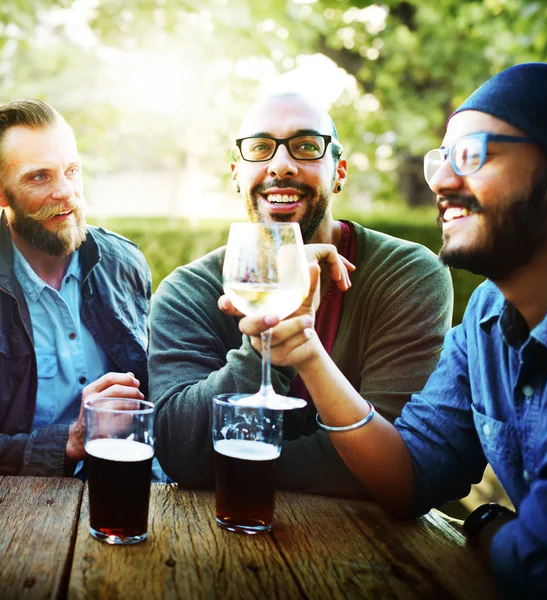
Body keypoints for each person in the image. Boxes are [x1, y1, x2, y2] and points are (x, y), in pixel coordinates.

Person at [233, 64, 547, 596]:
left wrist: (488, 527)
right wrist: (308, 352)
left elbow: (539, 563)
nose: (444, 182)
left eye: (473, 156)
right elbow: (409, 478)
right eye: (442, 160)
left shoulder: (416, 279)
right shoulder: (486, 320)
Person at [149, 91, 453, 497]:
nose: (281, 165)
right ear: (236, 173)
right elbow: (178, 449)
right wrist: (261, 351)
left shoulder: (407, 275)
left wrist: (228, 461)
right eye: (260, 149)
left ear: (339, 171)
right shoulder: (187, 292)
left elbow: (397, 457)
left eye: (306, 147)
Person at [0, 99, 151, 477]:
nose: (66, 192)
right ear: (3, 195)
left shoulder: (125, 263)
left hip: (123, 484)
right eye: (40, 177)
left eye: (72, 171)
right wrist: (69, 440)